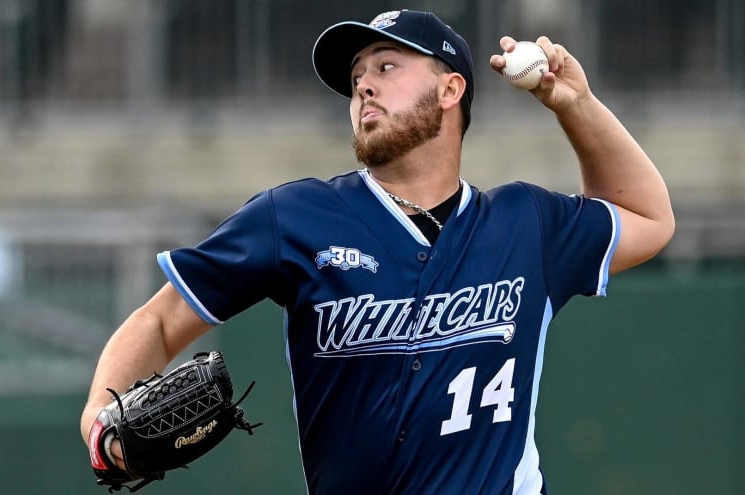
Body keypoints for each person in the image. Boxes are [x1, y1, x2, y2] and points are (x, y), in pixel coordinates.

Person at [80, 9, 674, 495]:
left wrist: (575, 104)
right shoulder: (296, 218)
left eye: (387, 66)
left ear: (450, 90)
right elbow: (159, 319)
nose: (363, 83)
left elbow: (649, 218)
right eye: (357, 76)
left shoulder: (528, 224)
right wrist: (98, 428)